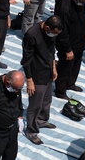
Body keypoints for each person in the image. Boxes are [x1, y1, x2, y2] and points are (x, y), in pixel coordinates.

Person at [21, 16, 62, 145]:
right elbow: (26, 60)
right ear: (47, 27)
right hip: (36, 74)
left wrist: (54, 67)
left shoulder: (51, 33)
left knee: (46, 100)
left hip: (48, 71)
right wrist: (29, 80)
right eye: (53, 33)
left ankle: (42, 120)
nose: (53, 35)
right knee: (35, 104)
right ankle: (31, 130)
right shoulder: (32, 35)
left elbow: (51, 50)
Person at [55, 0, 85, 98]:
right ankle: (60, 91)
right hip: (67, 44)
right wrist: (68, 49)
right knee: (65, 67)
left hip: (79, 40)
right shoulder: (65, 8)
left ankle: (70, 83)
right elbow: (63, 32)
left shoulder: (80, 2)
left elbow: (83, 18)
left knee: (76, 65)